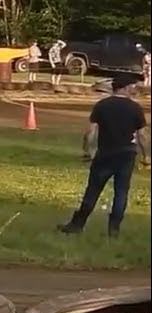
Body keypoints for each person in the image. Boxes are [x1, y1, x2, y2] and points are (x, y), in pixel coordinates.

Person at [58, 74, 149, 237]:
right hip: (126, 155)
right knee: (121, 192)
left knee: (92, 191)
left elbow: (90, 132)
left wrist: (87, 150)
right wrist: (146, 156)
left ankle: (77, 225)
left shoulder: (102, 105)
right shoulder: (135, 108)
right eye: (132, 87)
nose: (134, 90)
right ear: (126, 87)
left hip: (105, 154)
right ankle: (113, 229)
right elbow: (142, 135)